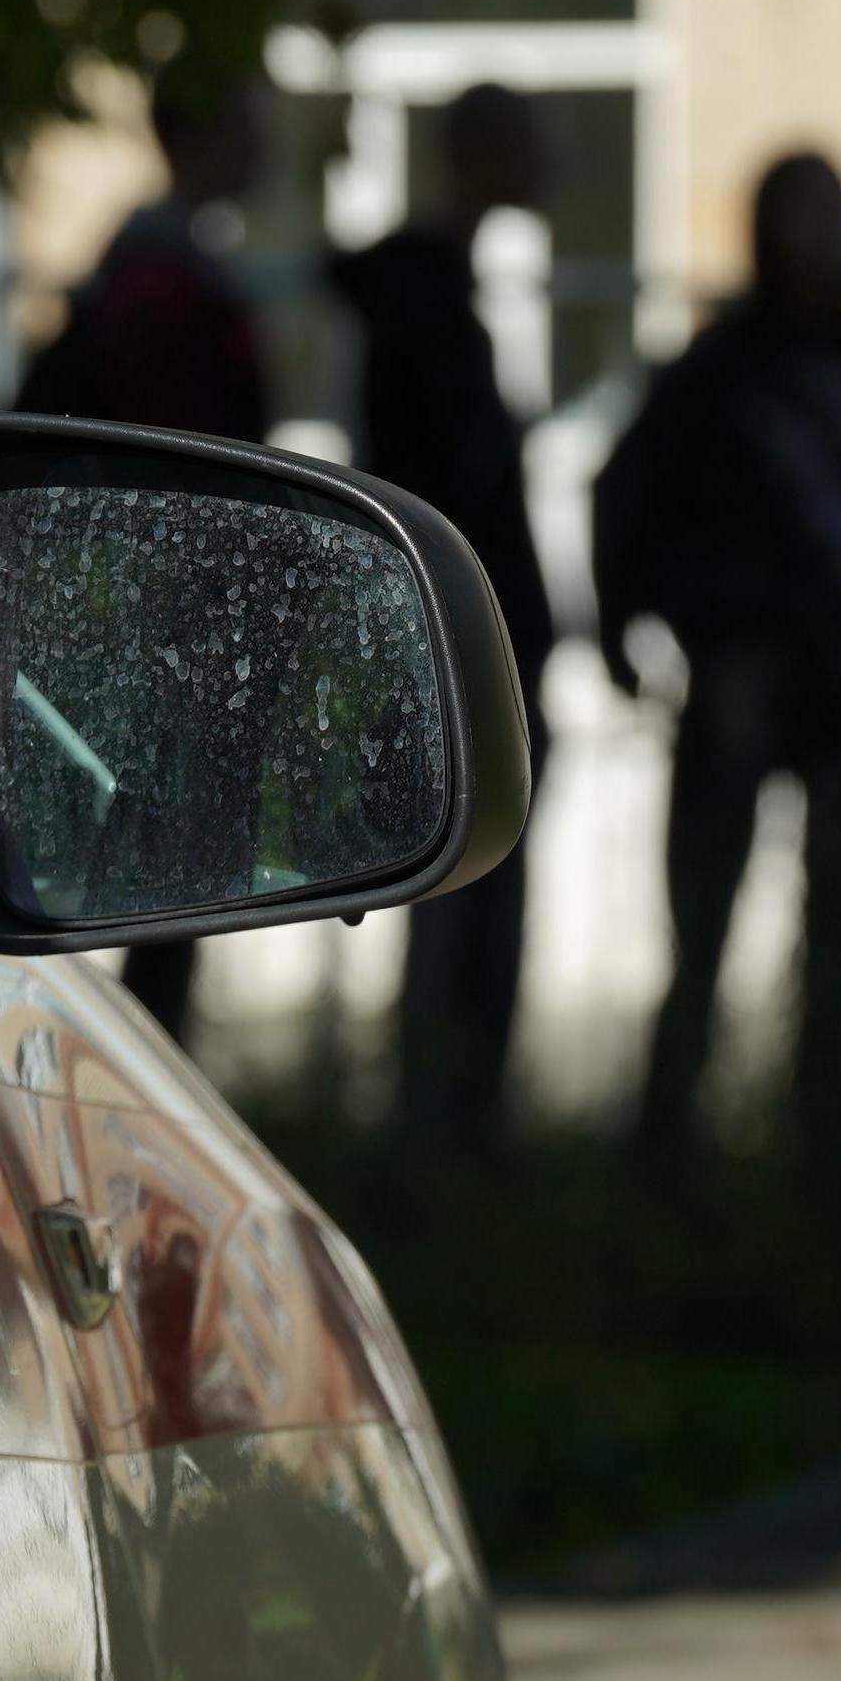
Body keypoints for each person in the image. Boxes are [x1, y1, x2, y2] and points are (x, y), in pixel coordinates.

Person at [596, 151, 841, 1148]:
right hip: (745, 671)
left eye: (830, 214)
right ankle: (673, 1148)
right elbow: (627, 492)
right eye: (801, 214)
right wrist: (629, 624)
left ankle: (814, 1144)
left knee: (835, 944)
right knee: (703, 934)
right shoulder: (725, 367)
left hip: (836, 671)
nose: (818, 238)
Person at [14, 58, 272, 1043]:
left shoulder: (157, 268)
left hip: (162, 614)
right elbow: (190, 462)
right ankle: (130, 1066)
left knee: (164, 872)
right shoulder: (165, 282)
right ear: (200, 135)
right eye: (248, 120)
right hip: (171, 618)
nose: (264, 144)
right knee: (166, 876)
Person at [329, 84, 556, 1141]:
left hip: (456, 636)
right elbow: (443, 491)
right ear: (480, 156)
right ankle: (446, 1124)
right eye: (526, 146)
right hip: (451, 643)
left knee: (460, 881)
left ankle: (449, 1123)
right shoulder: (426, 312)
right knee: (461, 883)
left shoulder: (428, 301)